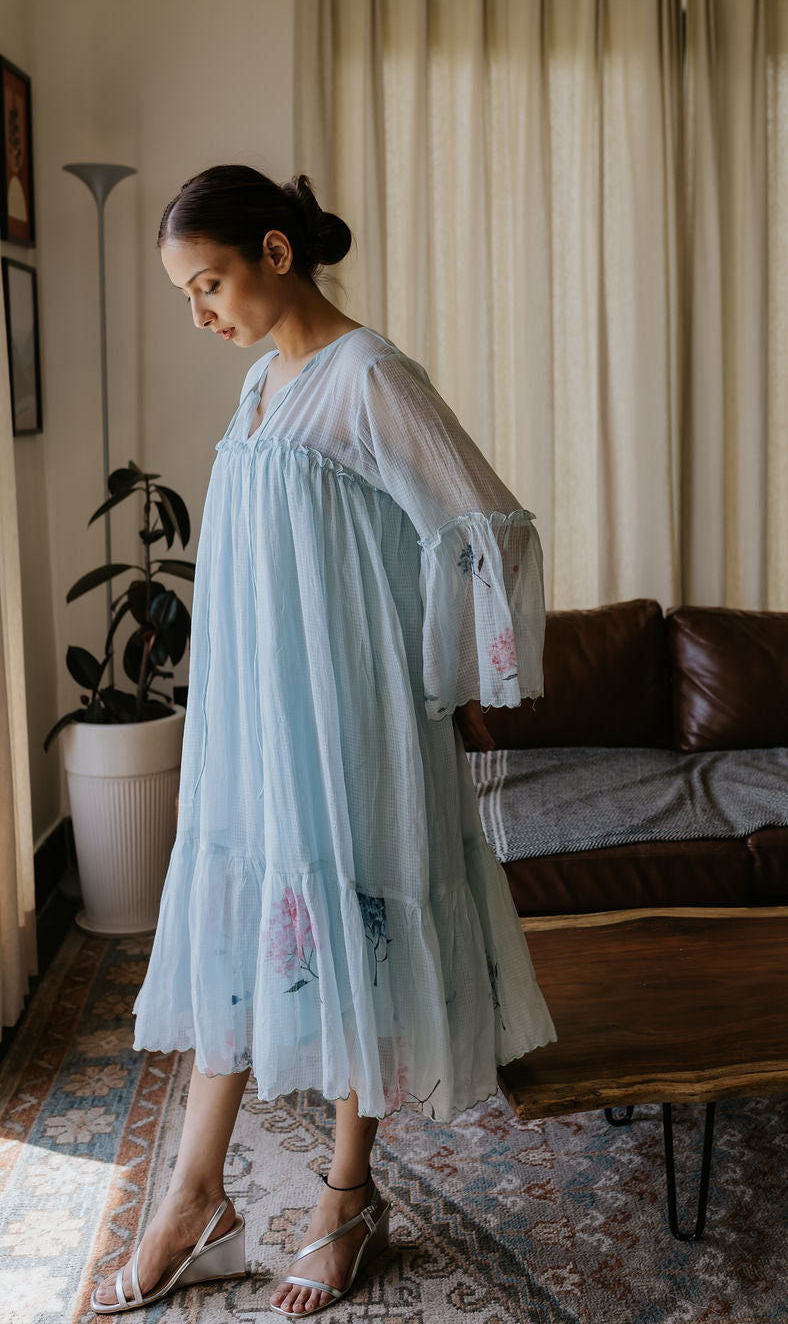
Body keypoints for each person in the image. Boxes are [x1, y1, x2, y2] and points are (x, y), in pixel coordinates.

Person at [88, 165, 557, 1317]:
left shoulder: (368, 375)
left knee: (359, 927)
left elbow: (483, 521)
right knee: (249, 927)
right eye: (187, 294)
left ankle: (344, 1196)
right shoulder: (263, 381)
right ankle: (199, 1194)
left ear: (275, 255)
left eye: (210, 284)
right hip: (255, 713)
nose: (200, 315)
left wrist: (451, 675)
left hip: (349, 712)